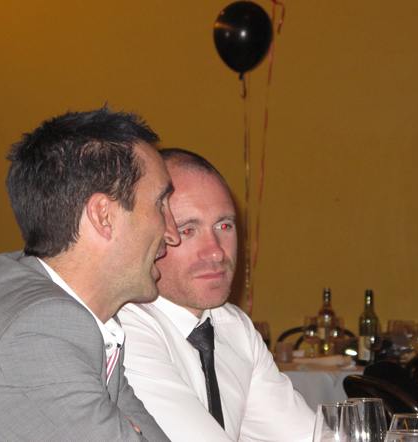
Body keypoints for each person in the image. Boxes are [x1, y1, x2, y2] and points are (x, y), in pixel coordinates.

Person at [0, 106, 178, 441]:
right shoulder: (38, 331)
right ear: (103, 216)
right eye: (159, 203)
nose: (172, 233)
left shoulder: (65, 319)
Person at [118, 148, 316, 442]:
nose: (215, 251)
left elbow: (305, 436)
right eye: (187, 230)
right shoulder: (123, 330)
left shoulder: (232, 325)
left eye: (224, 226)